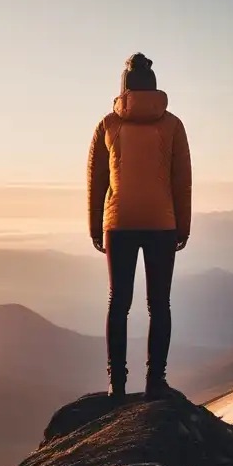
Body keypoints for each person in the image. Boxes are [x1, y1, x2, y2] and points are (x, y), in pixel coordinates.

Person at [87, 52, 192, 400]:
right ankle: (155, 381)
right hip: (162, 224)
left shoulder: (108, 125)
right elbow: (182, 180)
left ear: (124, 88)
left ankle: (117, 384)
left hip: (119, 223)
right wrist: (183, 227)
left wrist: (94, 226)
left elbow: (96, 179)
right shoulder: (173, 125)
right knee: (159, 304)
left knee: (119, 302)